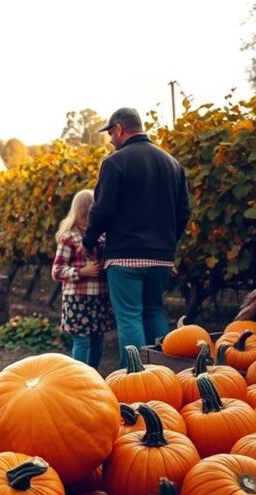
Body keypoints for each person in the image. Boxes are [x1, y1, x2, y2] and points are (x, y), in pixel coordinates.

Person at [81, 107, 190, 368]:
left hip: (126, 255)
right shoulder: (173, 164)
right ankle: (165, 372)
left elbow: (102, 209)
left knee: (129, 316)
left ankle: (135, 375)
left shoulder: (115, 162)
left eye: (110, 133)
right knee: (154, 311)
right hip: (161, 257)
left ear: (119, 128)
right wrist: (167, 242)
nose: (109, 140)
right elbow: (183, 211)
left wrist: (89, 241)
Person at [51, 189, 115, 368]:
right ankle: (79, 378)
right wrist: (81, 272)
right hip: (77, 298)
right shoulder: (69, 237)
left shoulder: (101, 238)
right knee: (82, 341)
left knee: (97, 339)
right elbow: (56, 271)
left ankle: (92, 375)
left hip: (100, 297)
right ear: (80, 212)